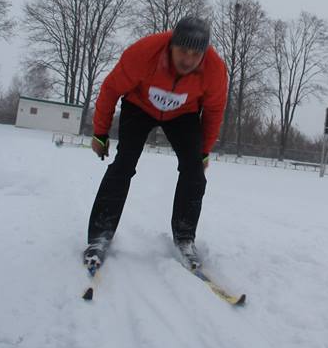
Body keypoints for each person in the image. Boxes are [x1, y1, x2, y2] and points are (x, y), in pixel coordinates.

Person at [84, 16, 228, 270]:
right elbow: (110, 90)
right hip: (139, 106)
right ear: (171, 45)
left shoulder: (215, 70)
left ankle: (185, 238)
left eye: (196, 54)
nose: (188, 59)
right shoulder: (143, 53)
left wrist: (203, 152)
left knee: (194, 171)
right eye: (183, 51)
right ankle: (100, 235)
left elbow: (214, 111)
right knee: (124, 163)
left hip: (183, 114)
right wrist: (100, 134)